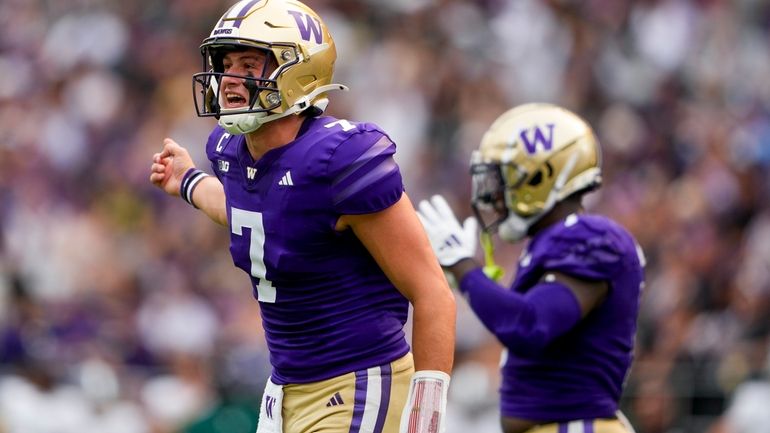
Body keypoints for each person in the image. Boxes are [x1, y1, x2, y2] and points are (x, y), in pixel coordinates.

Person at [148, 1, 456, 432]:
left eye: (249, 64)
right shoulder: (229, 149)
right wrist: (189, 183)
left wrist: (425, 414)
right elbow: (255, 215)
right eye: (226, 64)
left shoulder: (340, 159)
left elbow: (432, 292)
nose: (229, 79)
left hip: (358, 384)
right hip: (283, 391)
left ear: (297, 71)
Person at [417, 103, 645, 433]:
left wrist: (465, 267)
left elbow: (530, 325)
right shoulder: (552, 242)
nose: (494, 194)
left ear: (539, 177)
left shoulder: (592, 238)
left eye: (503, 178)